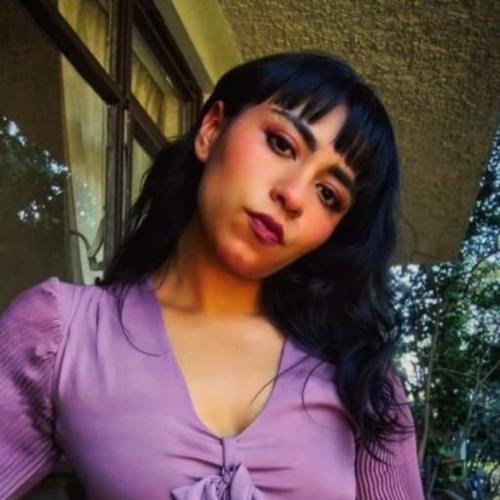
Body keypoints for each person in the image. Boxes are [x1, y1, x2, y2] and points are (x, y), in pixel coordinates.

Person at [0, 51, 425, 499]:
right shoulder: (62, 333)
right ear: (212, 129)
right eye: (282, 144)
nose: (293, 195)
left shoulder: (362, 380)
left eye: (328, 193)